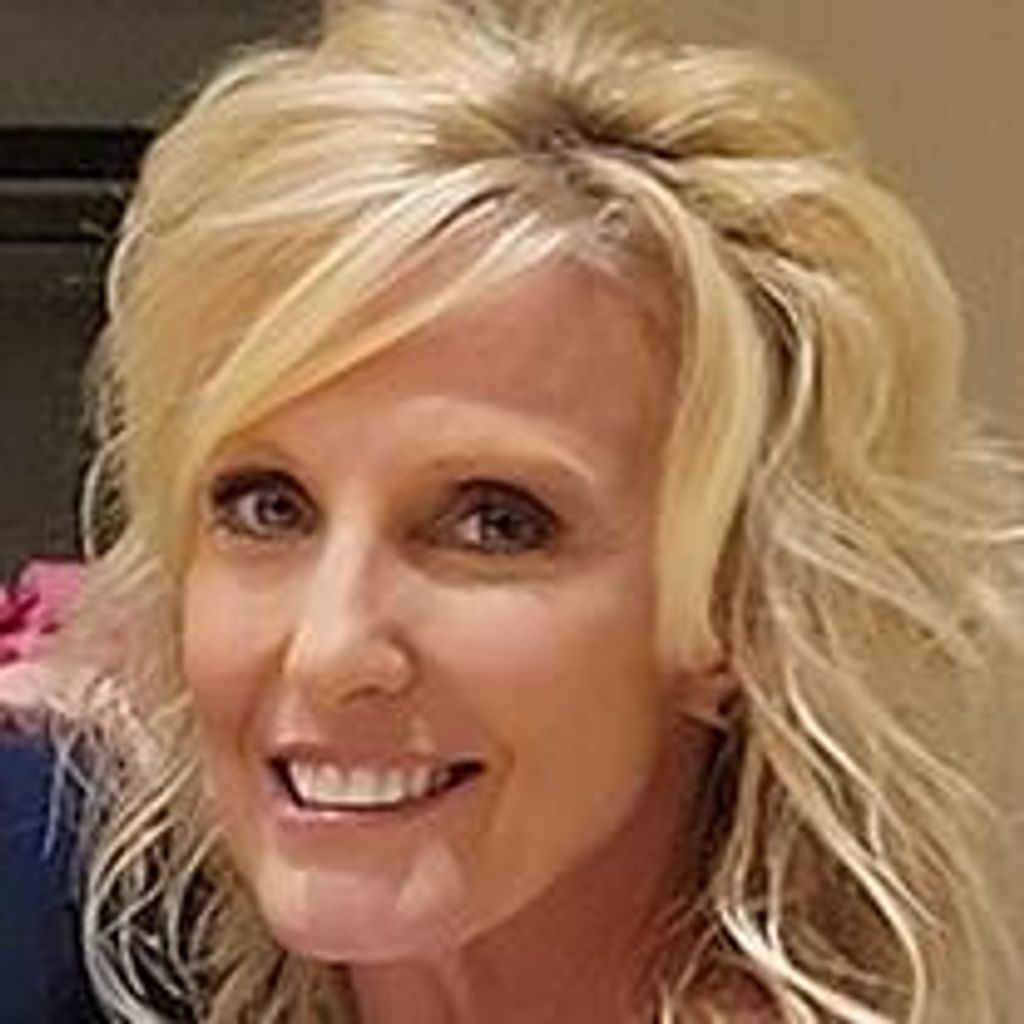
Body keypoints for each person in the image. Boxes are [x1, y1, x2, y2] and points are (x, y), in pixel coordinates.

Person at [6, 0, 1021, 1020]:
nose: (328, 648)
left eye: (496, 523)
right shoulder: (46, 916)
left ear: (735, 608)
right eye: (269, 507)